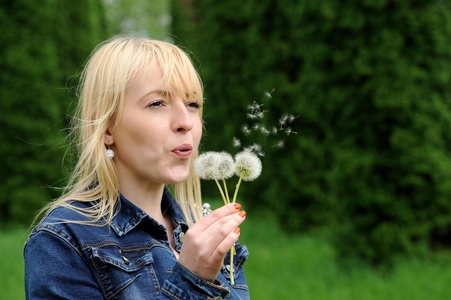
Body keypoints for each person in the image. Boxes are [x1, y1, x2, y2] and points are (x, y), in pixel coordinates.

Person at [24, 36, 249, 299]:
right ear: (107, 128)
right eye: (157, 103)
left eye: (192, 104)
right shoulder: (63, 240)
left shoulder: (206, 236)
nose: (185, 121)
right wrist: (191, 280)